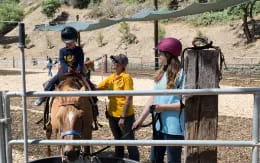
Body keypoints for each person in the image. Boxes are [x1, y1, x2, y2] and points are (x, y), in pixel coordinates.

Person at [132, 37, 184, 163]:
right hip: (159, 125)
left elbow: (186, 103)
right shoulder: (161, 73)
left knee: (173, 160)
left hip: (174, 127)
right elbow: (153, 98)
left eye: (160, 53)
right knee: (155, 160)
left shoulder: (182, 74)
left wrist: (163, 107)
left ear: (168, 54)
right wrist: (140, 120)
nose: (159, 56)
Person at [97, 54, 140, 161]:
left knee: (130, 142)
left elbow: (128, 98)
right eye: (113, 61)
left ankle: (134, 161)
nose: (113, 63)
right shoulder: (111, 77)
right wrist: (85, 81)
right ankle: (118, 160)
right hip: (112, 115)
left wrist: (123, 117)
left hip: (125, 117)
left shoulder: (126, 78)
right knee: (118, 141)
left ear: (122, 65)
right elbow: (97, 87)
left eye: (116, 62)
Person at [34, 26, 85, 106]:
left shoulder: (79, 50)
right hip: (64, 72)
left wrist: (78, 70)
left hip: (77, 71)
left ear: (75, 40)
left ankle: (94, 102)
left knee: (88, 83)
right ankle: (43, 97)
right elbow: (62, 61)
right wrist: (66, 68)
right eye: (67, 43)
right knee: (51, 82)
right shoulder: (62, 51)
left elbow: (80, 61)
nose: (69, 44)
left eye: (71, 43)